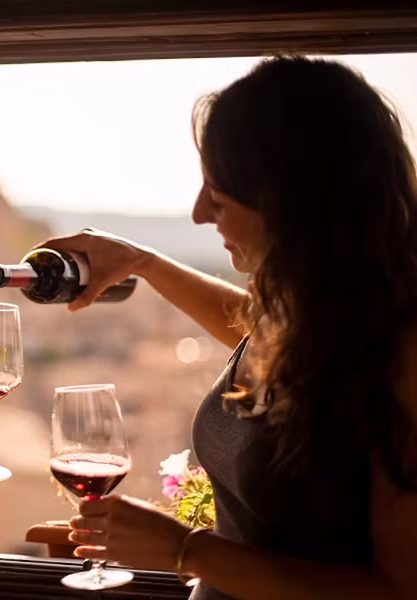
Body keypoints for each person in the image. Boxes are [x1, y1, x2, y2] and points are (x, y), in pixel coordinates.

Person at [44, 55, 417, 599]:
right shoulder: (321, 322)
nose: (199, 213)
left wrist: (183, 549)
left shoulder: (404, 354)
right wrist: (142, 261)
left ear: (291, 203)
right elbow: (251, 326)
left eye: (217, 195)